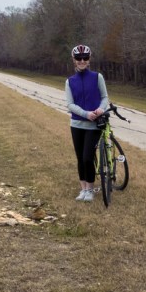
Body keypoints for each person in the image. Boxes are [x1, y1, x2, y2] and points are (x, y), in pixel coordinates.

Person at [65, 44, 109, 202]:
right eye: (78, 58)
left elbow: (105, 98)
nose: (82, 61)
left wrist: (100, 109)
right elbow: (69, 104)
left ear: (89, 59)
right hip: (77, 125)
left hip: (93, 125)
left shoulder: (97, 77)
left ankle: (90, 190)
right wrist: (85, 114)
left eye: (85, 58)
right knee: (79, 158)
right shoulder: (70, 81)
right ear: (74, 60)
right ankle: (83, 189)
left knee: (87, 158)